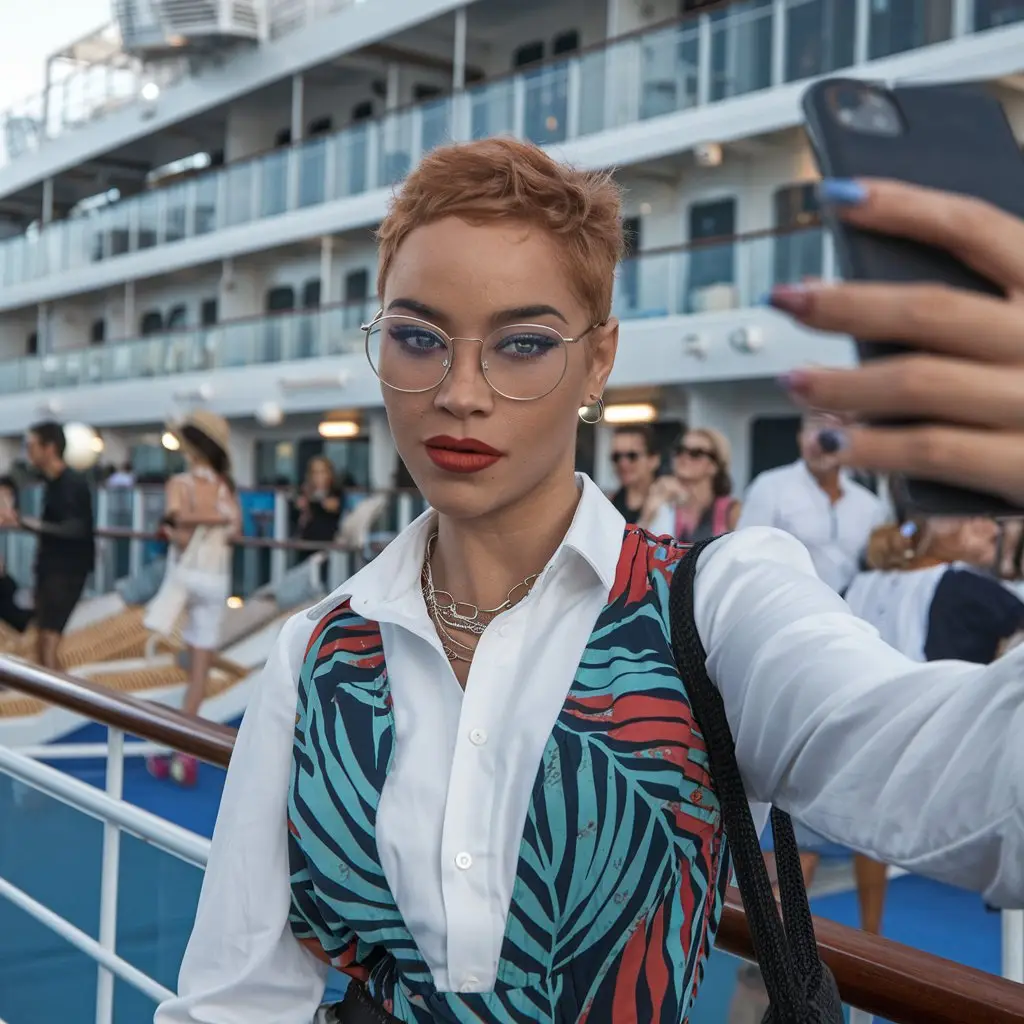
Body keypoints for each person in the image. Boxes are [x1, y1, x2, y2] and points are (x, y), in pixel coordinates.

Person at [154, 152, 1024, 1024]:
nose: (460, 393)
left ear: (598, 360)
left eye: (523, 344)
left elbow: (971, 790)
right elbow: (235, 1000)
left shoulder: (714, 606)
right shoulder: (318, 649)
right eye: (418, 337)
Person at [146, 410, 240, 788]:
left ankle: (164, 741)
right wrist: (216, 519)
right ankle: (183, 752)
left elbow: (179, 532)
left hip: (184, 580)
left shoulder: (179, 484)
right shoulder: (223, 487)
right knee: (199, 670)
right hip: (215, 581)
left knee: (154, 646)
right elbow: (236, 531)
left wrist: (187, 521)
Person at [737, 412, 887, 593]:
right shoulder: (770, 487)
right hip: (788, 602)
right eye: (815, 426)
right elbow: (746, 554)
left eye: (834, 429)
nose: (821, 439)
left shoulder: (869, 505)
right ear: (800, 436)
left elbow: (877, 566)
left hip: (848, 606)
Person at [0, 422, 95, 670]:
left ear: (49, 448)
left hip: (65, 571)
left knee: (49, 641)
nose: (28, 452)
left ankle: (57, 691)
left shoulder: (71, 483)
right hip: (53, 569)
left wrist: (29, 523)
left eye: (32, 446)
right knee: (44, 640)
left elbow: (75, 529)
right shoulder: (53, 483)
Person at [643, 427, 741, 541]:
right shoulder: (665, 503)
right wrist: (653, 507)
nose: (684, 457)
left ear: (715, 465)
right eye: (680, 450)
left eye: (696, 453)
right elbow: (638, 544)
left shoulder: (731, 511)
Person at [607, 423, 661, 524]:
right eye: (616, 456)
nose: (623, 463)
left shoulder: (670, 502)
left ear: (653, 459)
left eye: (632, 456)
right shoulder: (607, 505)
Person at [293, 456, 343, 549]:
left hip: (329, 547)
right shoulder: (303, 493)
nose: (319, 477)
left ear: (330, 474)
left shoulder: (337, 493)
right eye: (315, 473)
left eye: (323, 472)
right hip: (306, 546)